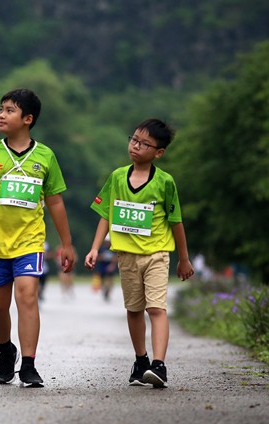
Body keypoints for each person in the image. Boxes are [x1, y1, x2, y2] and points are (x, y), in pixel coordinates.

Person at [0, 88, 75, 387]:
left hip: (29, 241)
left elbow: (56, 202)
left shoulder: (45, 156)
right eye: (1, 109)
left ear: (28, 119)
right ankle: (6, 351)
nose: (1, 115)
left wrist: (66, 243)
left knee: (28, 296)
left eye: (9, 110)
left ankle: (29, 365)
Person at [84, 118, 194, 389]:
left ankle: (159, 365)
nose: (136, 146)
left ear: (159, 152)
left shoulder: (165, 183)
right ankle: (141, 360)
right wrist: (95, 247)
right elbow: (105, 215)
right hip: (126, 256)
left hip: (156, 254)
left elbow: (176, 221)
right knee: (134, 310)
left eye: (144, 144)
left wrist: (184, 258)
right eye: (134, 140)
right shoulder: (117, 177)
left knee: (156, 308)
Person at [95, 235, 117, 302]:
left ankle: (108, 292)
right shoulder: (101, 248)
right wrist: (101, 257)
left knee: (110, 280)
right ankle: (104, 291)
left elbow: (117, 258)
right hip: (102, 266)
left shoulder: (113, 248)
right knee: (102, 281)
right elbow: (97, 257)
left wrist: (112, 265)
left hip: (110, 266)